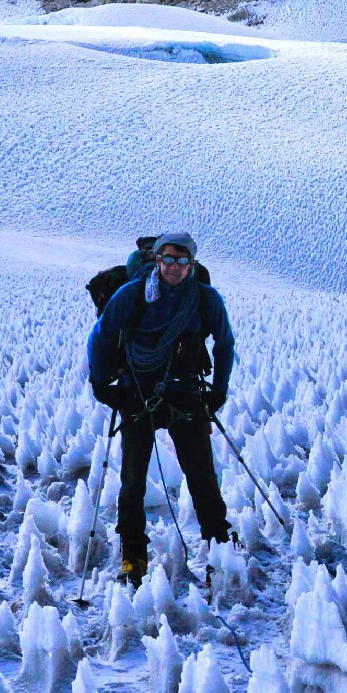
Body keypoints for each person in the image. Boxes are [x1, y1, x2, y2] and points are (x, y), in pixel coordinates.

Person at [87, 231, 234, 585]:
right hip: (137, 390)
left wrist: (218, 392)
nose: (174, 267)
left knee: (202, 477)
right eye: (168, 259)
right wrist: (102, 384)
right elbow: (101, 335)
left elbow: (225, 344)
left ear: (192, 264)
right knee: (133, 479)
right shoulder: (132, 294)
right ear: (157, 260)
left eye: (182, 261)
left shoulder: (204, 298)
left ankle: (219, 547)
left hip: (185, 391)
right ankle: (133, 556)